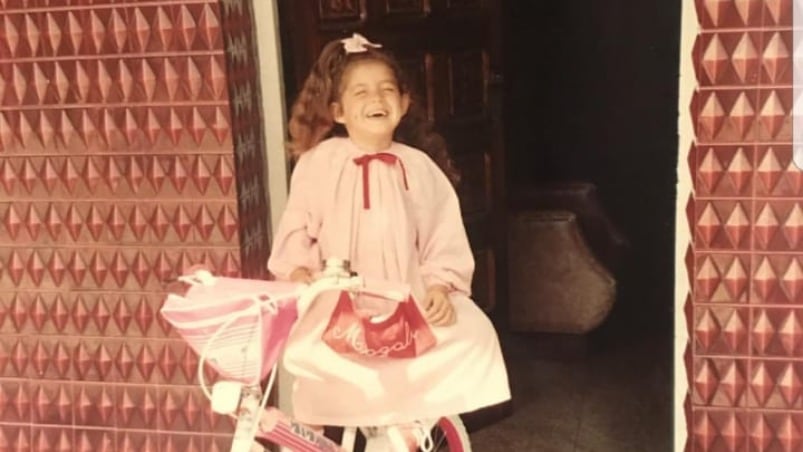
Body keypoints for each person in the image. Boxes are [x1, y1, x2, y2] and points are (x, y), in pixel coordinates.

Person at [267, 32, 510, 446]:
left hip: (404, 297)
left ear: (404, 102)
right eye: (360, 92)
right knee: (318, 364)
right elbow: (297, 228)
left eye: (386, 89)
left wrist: (440, 285)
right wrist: (299, 271)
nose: (375, 99)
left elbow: (442, 236)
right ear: (338, 111)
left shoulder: (418, 168)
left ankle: (407, 427)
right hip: (341, 302)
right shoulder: (317, 164)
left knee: (471, 335)